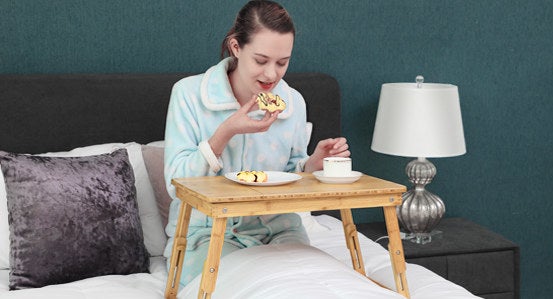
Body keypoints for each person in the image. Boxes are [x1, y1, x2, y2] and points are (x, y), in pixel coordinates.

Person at [163, 0, 350, 286]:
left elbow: (290, 173)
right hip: (206, 232)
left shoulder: (293, 102)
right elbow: (176, 183)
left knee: (312, 286)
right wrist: (226, 132)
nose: (271, 75)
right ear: (236, 47)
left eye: (282, 63)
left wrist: (312, 164)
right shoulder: (188, 95)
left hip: (279, 229)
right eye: (261, 61)